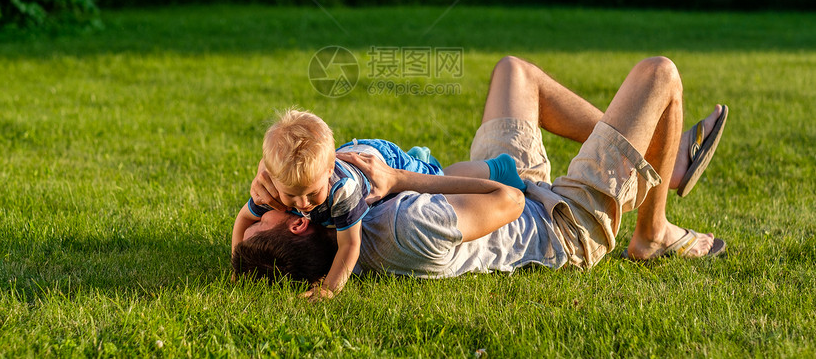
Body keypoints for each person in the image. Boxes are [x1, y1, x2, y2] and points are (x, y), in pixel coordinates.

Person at [233, 56, 728, 285]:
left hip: (514, 185)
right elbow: (507, 198)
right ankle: (653, 232)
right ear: (300, 222)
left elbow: (305, 158)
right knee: (659, 74)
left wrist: (271, 170)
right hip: (560, 224)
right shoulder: (407, 231)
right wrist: (402, 179)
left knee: (514, 71)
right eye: (266, 214)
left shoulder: (331, 204)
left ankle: (658, 159)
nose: (261, 204)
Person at [232, 109, 527, 299]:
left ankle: (498, 169)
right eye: (291, 197)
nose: (301, 204)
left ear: (327, 171)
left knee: (438, 178)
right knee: (444, 175)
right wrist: (236, 264)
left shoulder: (340, 192)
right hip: (355, 158)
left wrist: (329, 289)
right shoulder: (282, 188)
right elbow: (243, 220)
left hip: (380, 160)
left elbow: (350, 246)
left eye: (311, 195)